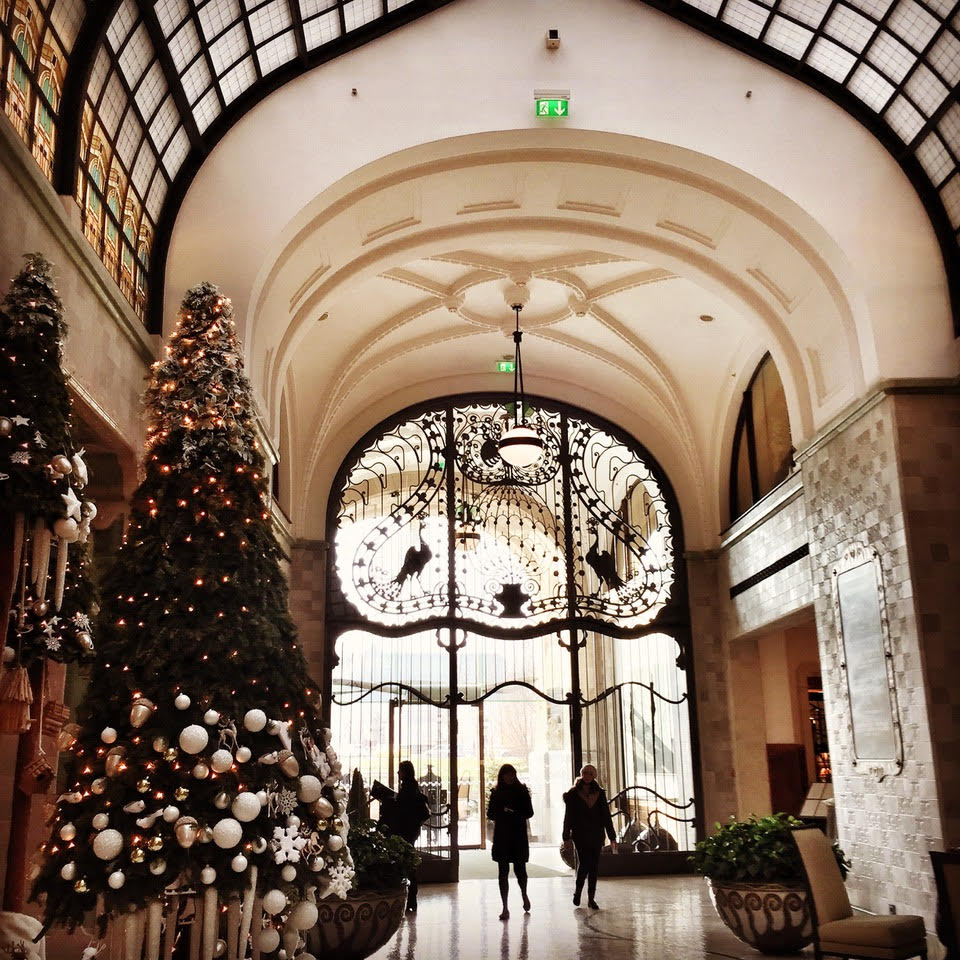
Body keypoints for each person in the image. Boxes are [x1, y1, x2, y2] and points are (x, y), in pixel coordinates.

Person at [562, 763, 616, 909]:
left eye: (590, 774)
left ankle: (591, 898)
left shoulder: (599, 793)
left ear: (594, 776)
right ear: (581, 774)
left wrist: (612, 836)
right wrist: (566, 836)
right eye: (585, 773)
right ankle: (578, 891)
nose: (587, 776)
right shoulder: (573, 794)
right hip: (580, 834)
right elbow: (569, 816)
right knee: (584, 863)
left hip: (597, 835)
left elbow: (606, 816)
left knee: (594, 866)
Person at [379, 760, 431, 912]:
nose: (397, 773)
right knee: (408, 861)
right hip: (411, 830)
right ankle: (411, 899)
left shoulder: (407, 789)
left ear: (405, 772)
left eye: (400, 771)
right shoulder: (412, 786)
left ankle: (410, 897)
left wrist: (390, 802)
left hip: (405, 830)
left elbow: (402, 809)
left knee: (406, 863)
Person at [486, 763, 534, 920]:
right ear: (502, 776)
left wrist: (514, 812)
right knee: (503, 872)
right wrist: (502, 811)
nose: (509, 777)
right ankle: (505, 906)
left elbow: (529, 812)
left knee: (520, 869)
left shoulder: (522, 791)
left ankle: (524, 894)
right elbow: (490, 813)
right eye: (506, 774)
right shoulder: (496, 792)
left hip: (517, 835)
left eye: (511, 774)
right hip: (503, 836)